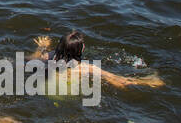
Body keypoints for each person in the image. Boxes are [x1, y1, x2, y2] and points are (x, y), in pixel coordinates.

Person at [29, 31, 165, 89]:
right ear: (81, 51)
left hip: (45, 89)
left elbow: (31, 60)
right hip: (65, 96)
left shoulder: (48, 57)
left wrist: (41, 47)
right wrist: (147, 82)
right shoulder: (87, 68)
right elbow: (120, 82)